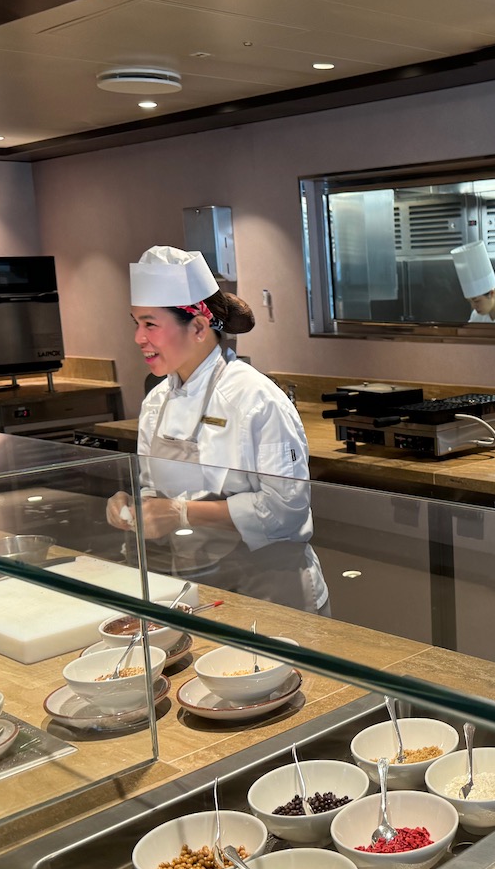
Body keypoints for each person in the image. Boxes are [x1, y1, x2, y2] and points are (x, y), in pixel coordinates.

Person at [105, 245, 328, 613]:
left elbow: (286, 510)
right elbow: (153, 487)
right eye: (136, 324)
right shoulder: (156, 403)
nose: (138, 338)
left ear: (197, 326)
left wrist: (180, 513)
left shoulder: (257, 399)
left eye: (150, 324)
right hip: (194, 589)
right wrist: (134, 507)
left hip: (271, 592)